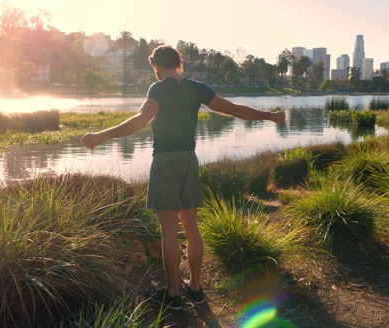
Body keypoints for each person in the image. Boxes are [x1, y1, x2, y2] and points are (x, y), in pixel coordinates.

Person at [81, 45, 285, 311]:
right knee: (192, 228)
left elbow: (139, 120)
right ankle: (196, 289)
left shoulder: (158, 89)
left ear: (156, 66)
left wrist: (101, 135)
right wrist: (269, 115)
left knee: (169, 232)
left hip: (165, 162)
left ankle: (174, 294)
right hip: (189, 161)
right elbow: (234, 109)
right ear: (179, 63)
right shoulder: (197, 87)